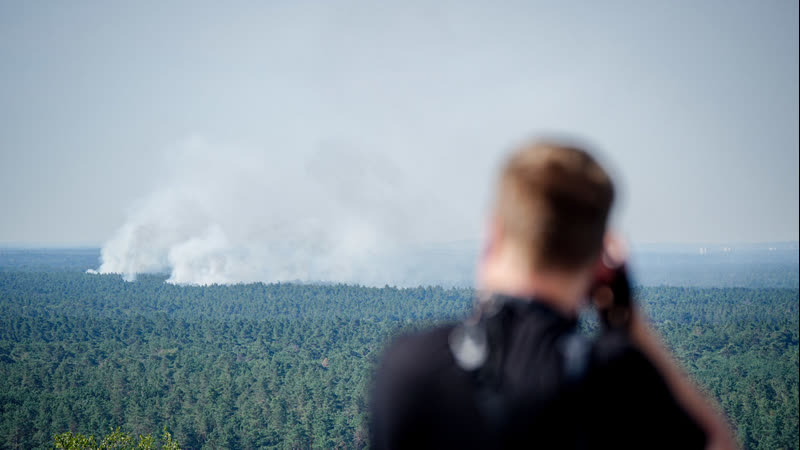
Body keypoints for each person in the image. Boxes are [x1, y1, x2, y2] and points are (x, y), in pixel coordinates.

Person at [369, 140, 737, 449]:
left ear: (495, 235)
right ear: (598, 264)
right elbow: (716, 442)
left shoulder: (408, 367)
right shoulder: (613, 377)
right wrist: (629, 320)